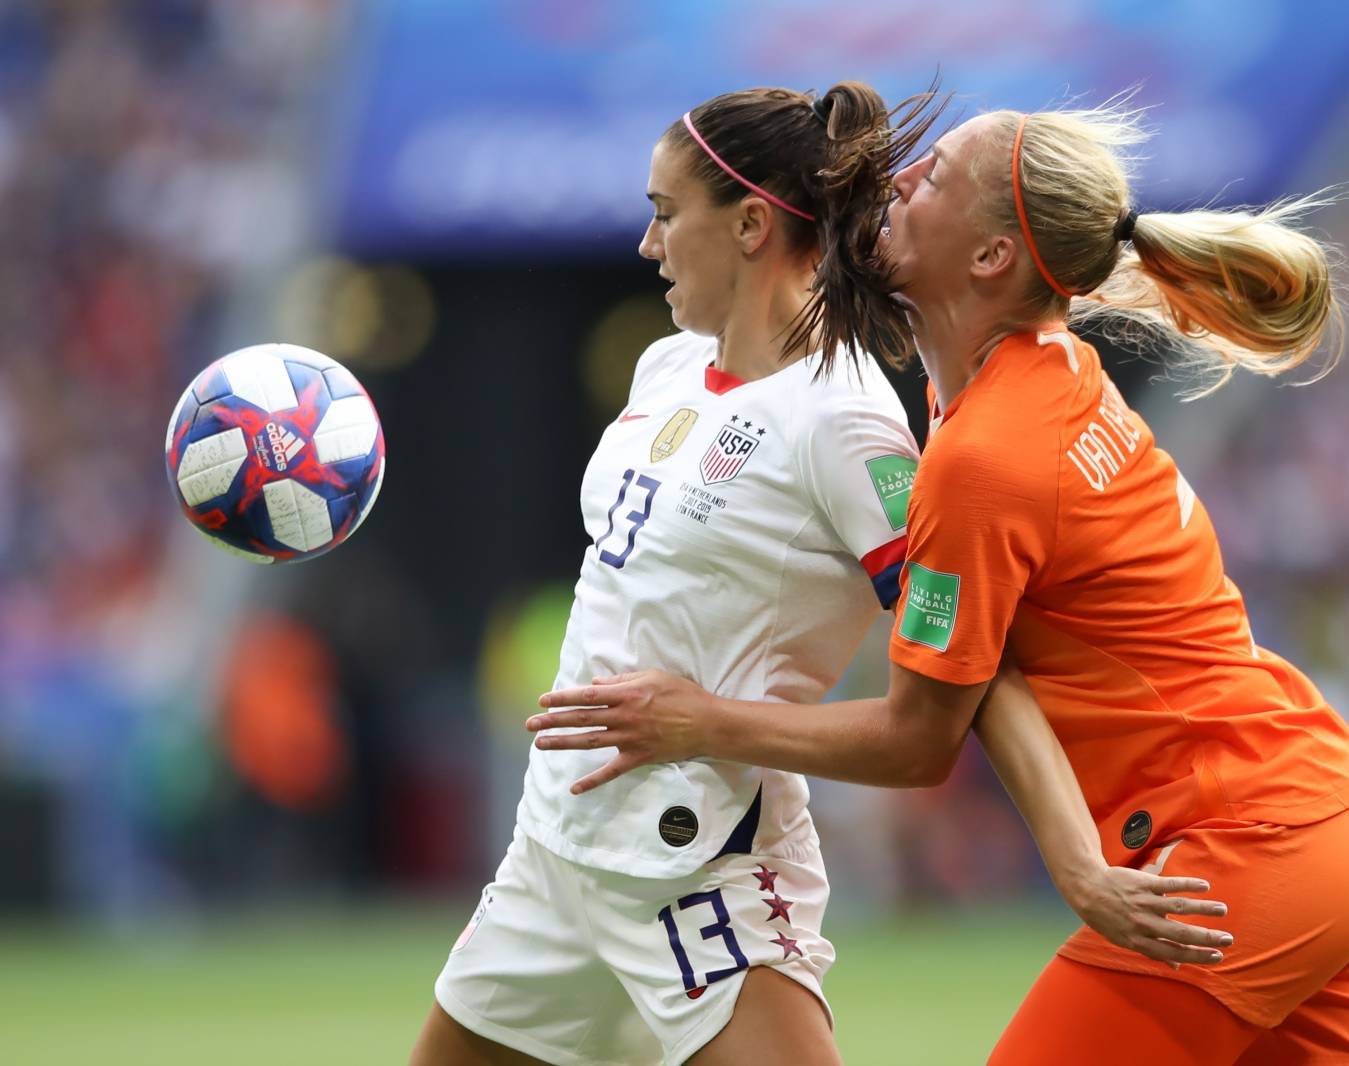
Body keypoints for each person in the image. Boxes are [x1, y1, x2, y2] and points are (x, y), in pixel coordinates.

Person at [531, 101, 1349, 1065]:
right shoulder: (1032, 380)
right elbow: (992, 675)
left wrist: (700, 722)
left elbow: (918, 737)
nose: (901, 179)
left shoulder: (985, 454)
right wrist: (1077, 854)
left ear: (990, 259)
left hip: (1238, 847)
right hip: (1331, 815)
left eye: (935, 176)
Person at [411, 86, 1223, 1066]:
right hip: (556, 850)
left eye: (666, 214)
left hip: (703, 867)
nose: (646, 245)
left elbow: (971, 669)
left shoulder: (844, 424)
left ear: (750, 225)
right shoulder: (666, 368)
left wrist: (1076, 861)